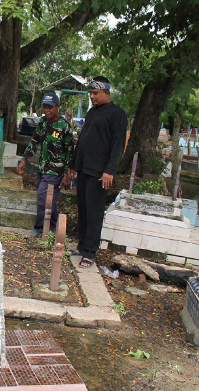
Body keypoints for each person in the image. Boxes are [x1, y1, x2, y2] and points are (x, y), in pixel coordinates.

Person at [70, 76, 128, 267]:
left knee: (94, 212)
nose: (92, 97)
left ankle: (90, 252)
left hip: (100, 173)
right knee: (84, 210)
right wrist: (74, 164)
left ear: (106, 93)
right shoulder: (92, 113)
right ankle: (81, 245)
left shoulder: (116, 114)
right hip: (84, 169)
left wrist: (110, 171)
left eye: (95, 93)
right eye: (90, 94)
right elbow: (83, 140)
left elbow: (118, 145)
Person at [18, 93, 74, 237]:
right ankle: (55, 228)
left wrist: (67, 173)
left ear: (57, 107)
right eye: (44, 107)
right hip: (42, 168)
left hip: (56, 171)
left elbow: (69, 151)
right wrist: (24, 159)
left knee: (43, 197)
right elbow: (34, 141)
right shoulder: (43, 123)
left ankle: (39, 229)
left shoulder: (64, 127)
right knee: (49, 200)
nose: (47, 110)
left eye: (50, 107)